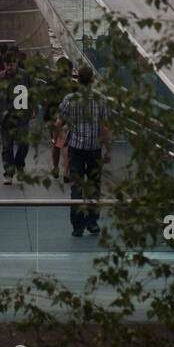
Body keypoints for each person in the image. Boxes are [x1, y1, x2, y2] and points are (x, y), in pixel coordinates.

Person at [56, 64, 112, 237]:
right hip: (94, 149)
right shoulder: (101, 99)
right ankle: (93, 222)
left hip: (76, 149)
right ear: (92, 81)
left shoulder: (69, 99)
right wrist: (108, 149)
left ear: (78, 80)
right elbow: (105, 127)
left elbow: (59, 123)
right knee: (94, 186)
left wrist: (58, 141)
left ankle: (77, 225)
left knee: (77, 187)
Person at [0, 51, 32, 183]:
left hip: (22, 116)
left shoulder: (25, 76)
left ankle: (19, 164)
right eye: (7, 65)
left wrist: (33, 108)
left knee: (24, 144)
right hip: (5, 118)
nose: (9, 68)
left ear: (16, 63)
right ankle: (8, 172)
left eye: (12, 65)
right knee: (7, 147)